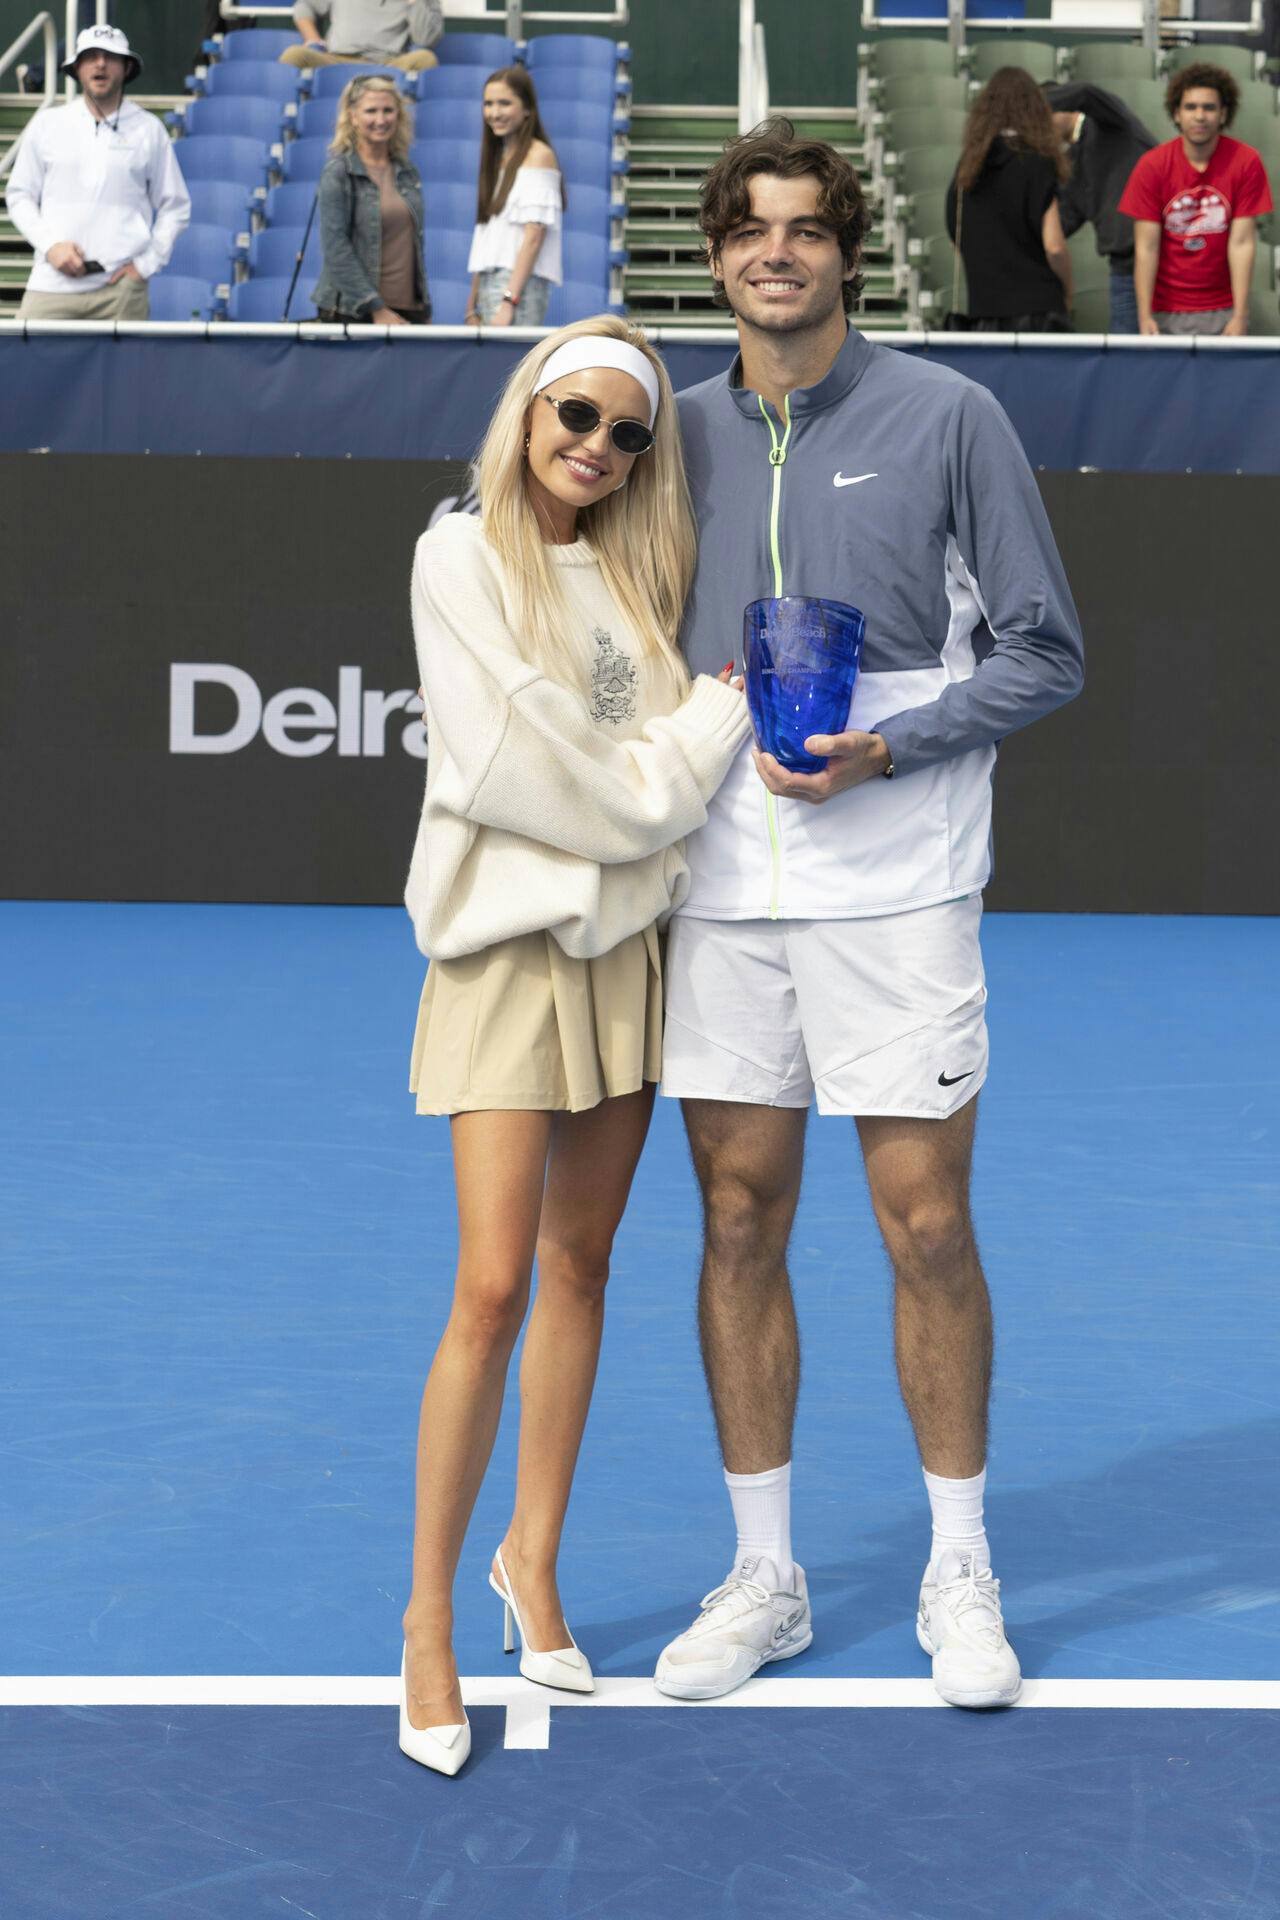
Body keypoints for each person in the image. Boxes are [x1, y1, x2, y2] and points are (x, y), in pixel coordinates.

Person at [652, 120, 1084, 1710]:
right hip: (715, 891)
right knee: (739, 1217)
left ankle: (957, 1569)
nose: (778, 253)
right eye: (751, 230)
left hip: (897, 886)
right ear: (718, 257)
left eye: (807, 230)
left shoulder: (952, 416)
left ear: (848, 250)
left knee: (924, 1226)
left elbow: (1047, 650)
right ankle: (764, 1575)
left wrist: (889, 746)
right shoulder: (668, 432)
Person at [398, 316, 751, 1776]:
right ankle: (425, 1621)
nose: (596, 447)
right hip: (500, 956)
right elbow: (519, 772)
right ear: (529, 409)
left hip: (628, 966)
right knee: (490, 1287)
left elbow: (616, 777)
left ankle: (530, 1563)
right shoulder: (456, 556)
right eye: (578, 417)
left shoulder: (636, 571)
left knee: (583, 1264)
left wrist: (654, 771)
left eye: (627, 433)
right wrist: (688, 753)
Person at [6, 24, 189, 322]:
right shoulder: (47, 124)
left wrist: (145, 266)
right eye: (91, 56)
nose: (100, 63)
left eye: (111, 57)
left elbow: (176, 206)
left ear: (126, 67)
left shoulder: (149, 129)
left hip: (121, 292)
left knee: (125, 371)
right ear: (77, 68)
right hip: (50, 285)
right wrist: (51, 246)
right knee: (25, 366)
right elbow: (19, 195)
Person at [1118, 62, 1272, 337]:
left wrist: (1240, 315)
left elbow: (1242, 243)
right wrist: (1144, 317)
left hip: (1224, 311)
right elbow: (1146, 248)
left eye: (1209, 108)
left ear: (1223, 114)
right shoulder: (1152, 165)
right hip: (1164, 311)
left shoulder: (1246, 161)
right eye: (1190, 107)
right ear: (1176, 114)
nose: (1200, 116)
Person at [944, 66, 1074, 331]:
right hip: (1040, 314)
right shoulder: (1039, 163)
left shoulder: (967, 167)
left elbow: (956, 237)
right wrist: (1068, 291)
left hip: (983, 311)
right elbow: (1055, 247)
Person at [313, 74, 429, 325]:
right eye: (371, 111)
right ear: (353, 116)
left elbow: (415, 246)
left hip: (406, 313)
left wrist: (423, 308)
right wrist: (375, 308)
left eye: (388, 110)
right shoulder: (338, 171)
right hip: (354, 313)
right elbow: (335, 249)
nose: (381, 119)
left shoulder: (407, 171)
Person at [1042, 81, 1157, 334]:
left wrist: (1028, 105)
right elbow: (1064, 221)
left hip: (1165, 263)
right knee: (1126, 360)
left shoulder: (1109, 124)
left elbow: (1087, 92)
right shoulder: (1069, 164)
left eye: (1042, 117)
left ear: (1064, 108)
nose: (1039, 128)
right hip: (1123, 270)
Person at [465, 66, 563, 326]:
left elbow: (534, 236)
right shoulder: (497, 157)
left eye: (504, 103)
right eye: (488, 104)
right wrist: (471, 305)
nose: (494, 112)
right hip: (490, 283)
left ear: (527, 109)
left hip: (517, 288)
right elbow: (487, 237)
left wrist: (509, 300)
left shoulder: (538, 155)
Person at [282, 0, 441, 74]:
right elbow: (304, 6)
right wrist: (312, 38)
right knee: (294, 55)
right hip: (336, 60)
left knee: (426, 59)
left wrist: (415, 3)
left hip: (388, 64)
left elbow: (424, 39)